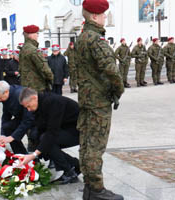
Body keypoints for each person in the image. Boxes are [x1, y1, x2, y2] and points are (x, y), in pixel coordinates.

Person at [76, 0, 124, 199]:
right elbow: (112, 71)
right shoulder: (95, 39)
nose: (105, 18)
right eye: (103, 15)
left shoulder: (81, 37)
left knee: (86, 143)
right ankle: (97, 190)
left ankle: (89, 186)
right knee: (96, 145)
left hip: (87, 99)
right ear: (95, 16)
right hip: (99, 101)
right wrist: (118, 89)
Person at [18, 88, 80, 184]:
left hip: (78, 131)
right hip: (64, 128)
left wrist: (34, 154)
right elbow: (40, 126)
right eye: (26, 108)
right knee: (40, 140)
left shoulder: (53, 102)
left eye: (29, 106)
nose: (28, 110)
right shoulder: (41, 103)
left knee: (47, 142)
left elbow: (51, 132)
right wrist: (36, 149)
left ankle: (69, 172)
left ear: (34, 98)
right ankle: (75, 164)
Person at [0, 81, 36, 154]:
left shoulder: (21, 95)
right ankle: (21, 154)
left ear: (6, 92)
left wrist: (13, 137)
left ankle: (51, 158)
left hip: (35, 119)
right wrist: (3, 135)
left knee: (35, 135)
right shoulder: (6, 96)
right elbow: (6, 115)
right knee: (7, 127)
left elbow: (28, 120)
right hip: (22, 118)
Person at [19, 24, 53, 92]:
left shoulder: (24, 48)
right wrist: (51, 78)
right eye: (37, 33)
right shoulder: (33, 50)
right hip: (36, 86)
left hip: (26, 85)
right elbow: (44, 68)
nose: (37, 35)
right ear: (30, 35)